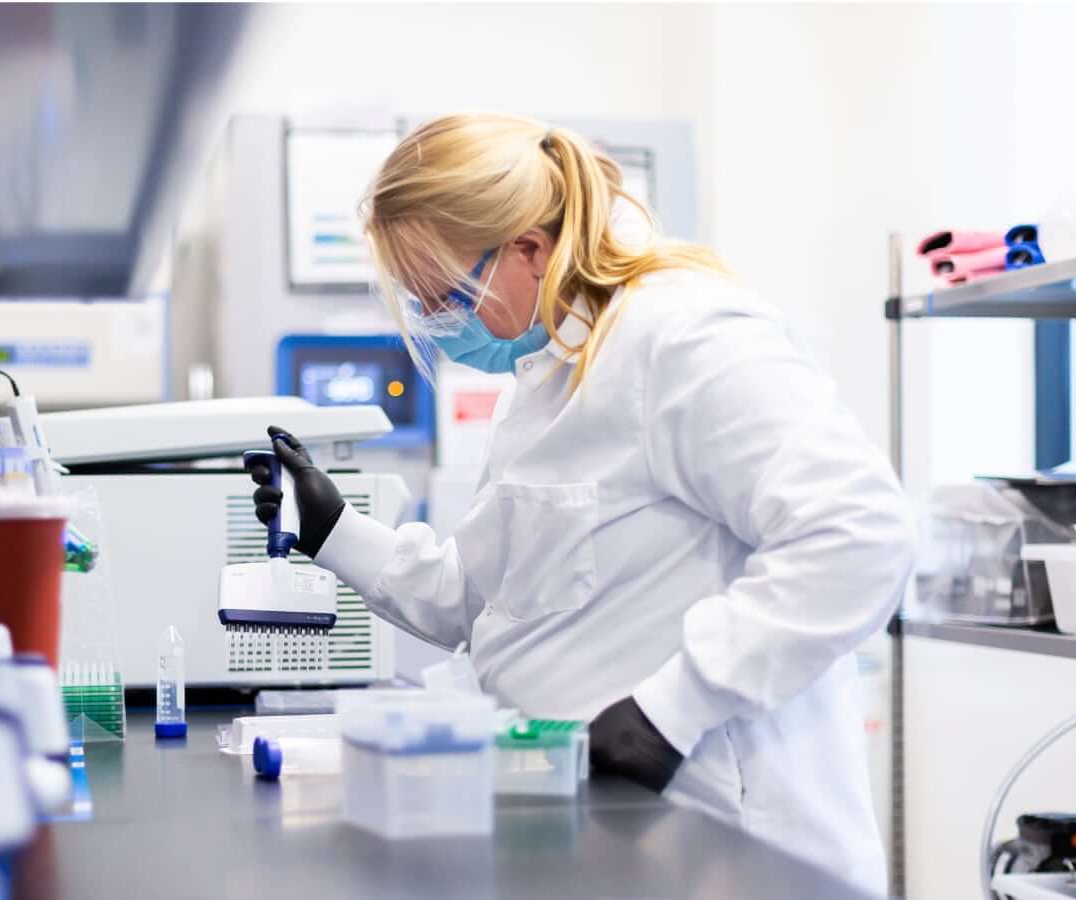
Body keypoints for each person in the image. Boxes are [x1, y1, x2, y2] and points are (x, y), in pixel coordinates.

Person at [251, 113, 913, 892]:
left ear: (529, 249)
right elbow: (492, 599)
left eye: (447, 295)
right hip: (594, 828)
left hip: (716, 836)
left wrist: (671, 710)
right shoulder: (542, 375)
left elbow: (858, 532)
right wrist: (336, 531)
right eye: (421, 302)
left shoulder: (681, 336)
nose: (437, 323)